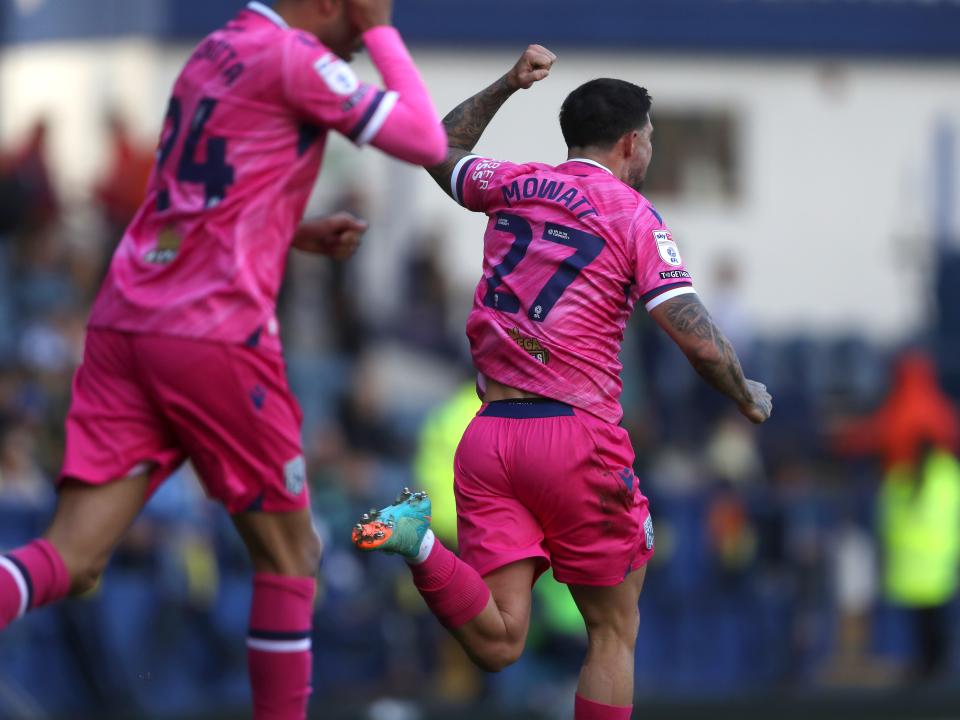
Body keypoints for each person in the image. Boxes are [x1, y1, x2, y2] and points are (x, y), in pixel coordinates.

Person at [0, 1, 446, 718]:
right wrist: (382, 29)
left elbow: (188, 196)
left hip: (127, 320)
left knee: (72, 559)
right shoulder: (294, 57)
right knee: (294, 556)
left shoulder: (214, 50)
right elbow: (424, 137)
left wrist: (285, 229)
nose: (365, 32)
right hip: (210, 334)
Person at [353, 46, 771, 720]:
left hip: (489, 438)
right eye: (652, 141)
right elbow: (693, 335)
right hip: (575, 435)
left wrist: (506, 86)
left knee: (500, 640)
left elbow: (440, 149)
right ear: (632, 143)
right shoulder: (636, 216)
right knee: (612, 630)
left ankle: (419, 541)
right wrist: (743, 391)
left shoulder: (513, 182)